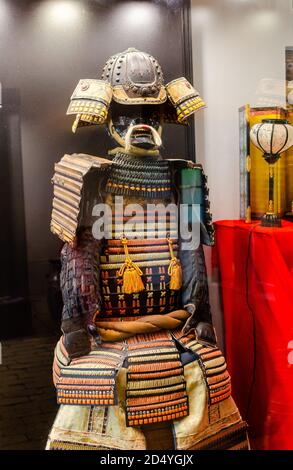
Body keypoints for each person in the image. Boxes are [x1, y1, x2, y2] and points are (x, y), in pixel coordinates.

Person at [47, 48, 249, 450]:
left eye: (150, 116)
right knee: (96, 388)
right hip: (105, 333)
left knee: (208, 370)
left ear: (163, 118)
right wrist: (75, 325)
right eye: (127, 115)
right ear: (107, 119)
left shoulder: (185, 178)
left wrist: (201, 314)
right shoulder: (89, 179)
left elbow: (191, 249)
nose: (140, 125)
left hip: (174, 324)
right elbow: (78, 258)